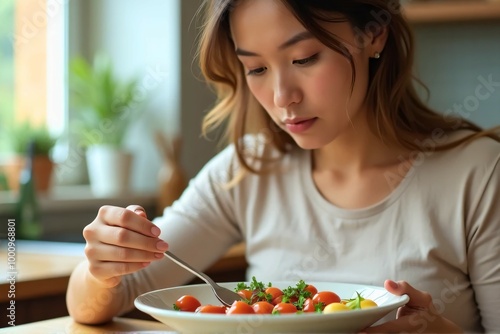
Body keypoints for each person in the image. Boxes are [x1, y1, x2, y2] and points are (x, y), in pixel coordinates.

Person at [66, 0, 500, 332]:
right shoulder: (248, 170)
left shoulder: (478, 174)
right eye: (255, 68)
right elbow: (105, 299)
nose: (281, 97)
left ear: (375, 34)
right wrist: (103, 266)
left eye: (305, 59)